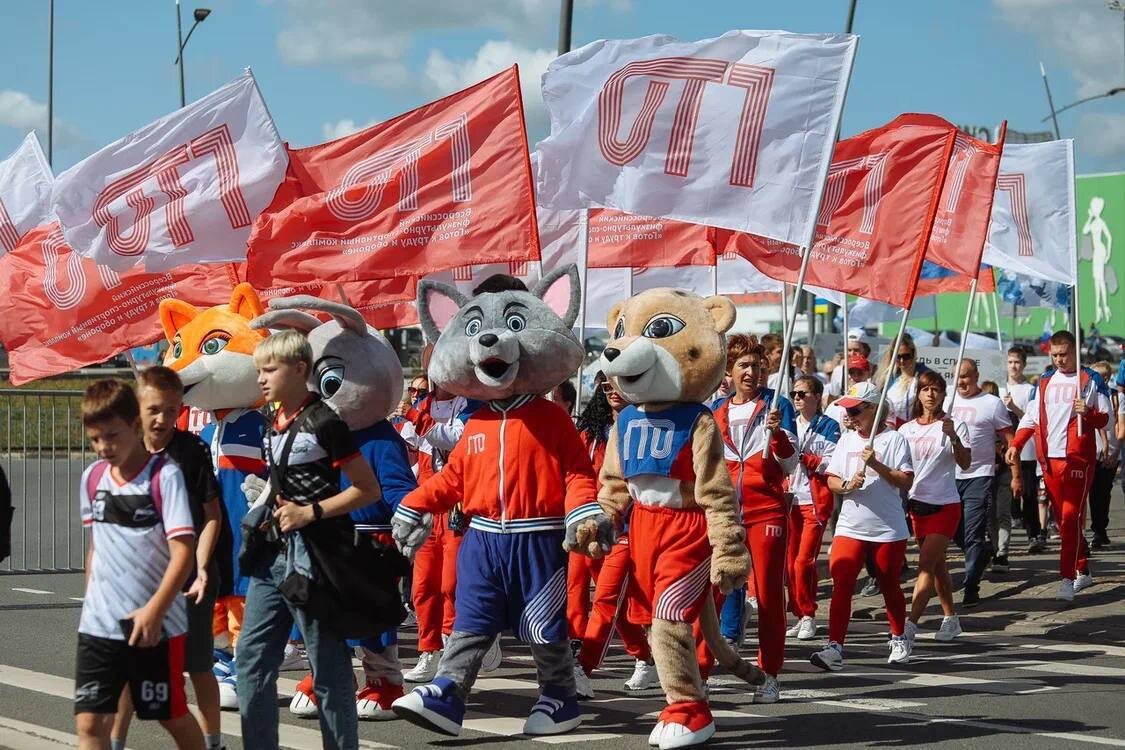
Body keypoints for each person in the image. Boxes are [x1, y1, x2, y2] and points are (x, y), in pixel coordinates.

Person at [236, 331, 382, 750]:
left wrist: (310, 512)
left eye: (269, 369)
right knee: (251, 658)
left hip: (317, 561)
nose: (261, 379)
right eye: (258, 370)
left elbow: (366, 489)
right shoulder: (271, 423)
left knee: (329, 669)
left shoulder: (326, 421)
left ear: (299, 369)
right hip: (273, 557)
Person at [74, 379, 204, 750]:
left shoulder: (166, 477)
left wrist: (154, 611)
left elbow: (183, 553)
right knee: (90, 724)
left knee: (172, 717)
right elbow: (97, 547)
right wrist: (90, 605)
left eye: (111, 436)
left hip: (157, 625)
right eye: (95, 439)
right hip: (99, 626)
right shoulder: (93, 478)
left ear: (135, 426)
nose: (103, 447)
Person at [111, 368, 225, 750]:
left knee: (198, 666)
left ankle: (212, 742)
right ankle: (115, 743)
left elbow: (212, 514)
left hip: (190, 578)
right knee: (129, 667)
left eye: (173, 410)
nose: (163, 419)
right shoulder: (121, 451)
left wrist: (204, 566)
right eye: (155, 409)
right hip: (137, 581)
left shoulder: (190, 451)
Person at [713, 334, 798, 703]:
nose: (752, 371)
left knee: (767, 597)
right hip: (725, 513)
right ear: (728, 373)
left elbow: (790, 462)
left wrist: (777, 435)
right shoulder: (715, 410)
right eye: (744, 365)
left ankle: (770, 675)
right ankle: (700, 668)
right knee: (712, 591)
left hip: (767, 511)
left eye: (757, 365)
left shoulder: (775, 405)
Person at [810, 381, 914, 672]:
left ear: (873, 409)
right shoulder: (847, 439)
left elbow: (906, 481)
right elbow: (831, 479)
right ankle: (835, 647)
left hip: (887, 525)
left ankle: (898, 637)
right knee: (842, 582)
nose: (850, 416)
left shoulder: (895, 439)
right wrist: (845, 485)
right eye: (847, 410)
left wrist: (877, 465)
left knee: (888, 582)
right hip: (850, 524)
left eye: (855, 410)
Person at [397, 382, 496, 683]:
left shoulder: (471, 404)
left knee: (451, 584)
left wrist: (415, 416)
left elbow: (455, 439)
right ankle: (429, 650)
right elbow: (410, 448)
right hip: (429, 505)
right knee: (422, 586)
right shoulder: (422, 405)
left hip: (456, 504)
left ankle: (454, 643)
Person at [569, 375, 658, 694]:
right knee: (623, 603)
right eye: (606, 386)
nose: (612, 392)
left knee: (605, 597)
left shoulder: (647, 426)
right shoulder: (589, 432)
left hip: (629, 527)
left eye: (618, 384)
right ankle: (645, 659)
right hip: (590, 526)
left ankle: (583, 668)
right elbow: (575, 474)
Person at [1007, 331, 1112, 601]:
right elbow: (1031, 418)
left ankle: (1067, 578)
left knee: (1068, 518)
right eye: (1054, 355)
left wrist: (1088, 413)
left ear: (1075, 352)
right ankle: (1082, 568)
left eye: (1063, 354)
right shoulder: (1045, 380)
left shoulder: (1090, 379)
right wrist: (1016, 445)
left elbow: (1105, 420)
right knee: (1066, 522)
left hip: (1078, 459)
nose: (1058, 360)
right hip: (1049, 460)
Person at [900, 372, 971, 644]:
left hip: (945, 505)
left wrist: (953, 437)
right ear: (918, 394)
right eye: (925, 389)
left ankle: (909, 627)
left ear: (943, 395)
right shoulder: (906, 430)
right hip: (917, 507)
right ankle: (951, 618)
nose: (930, 394)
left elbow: (965, 463)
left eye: (936, 389)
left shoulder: (954, 425)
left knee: (926, 565)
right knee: (939, 567)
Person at [948, 358, 1013, 608]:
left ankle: (971, 585)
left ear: (976, 376)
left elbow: (1008, 435)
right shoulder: (947, 402)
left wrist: (1011, 452)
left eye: (965, 376)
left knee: (974, 531)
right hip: (949, 475)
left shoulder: (991, 403)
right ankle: (983, 553)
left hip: (980, 474)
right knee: (954, 528)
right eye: (957, 377)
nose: (961, 382)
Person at [784, 375, 839, 641]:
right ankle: (801, 613)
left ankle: (808, 615)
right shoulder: (788, 423)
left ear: (817, 397)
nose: (797, 398)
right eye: (794, 394)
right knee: (790, 562)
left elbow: (833, 463)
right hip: (789, 499)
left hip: (814, 502)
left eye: (802, 394)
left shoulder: (829, 426)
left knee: (803, 562)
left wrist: (807, 458)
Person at [1001, 347, 1045, 553]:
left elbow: (1031, 419)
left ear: (1024, 365)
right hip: (1005, 450)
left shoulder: (1030, 390)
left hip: (1026, 451)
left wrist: (1014, 408)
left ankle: (1034, 534)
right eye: (1010, 362)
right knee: (1008, 497)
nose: (1013, 366)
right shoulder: (1000, 389)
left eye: (1017, 362)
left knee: (1028, 495)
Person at [1087, 361, 1119, 549]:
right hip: (1094, 451)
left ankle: (1102, 528)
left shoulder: (1116, 397)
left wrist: (1114, 450)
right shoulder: (1091, 396)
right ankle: (1097, 530)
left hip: (1113, 451)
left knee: (1104, 492)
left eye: (1103, 376)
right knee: (1093, 492)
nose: (1100, 379)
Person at [879, 333, 931, 428]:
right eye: (898, 357)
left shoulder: (923, 376)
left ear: (913, 354)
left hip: (915, 429)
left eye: (906, 356)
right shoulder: (887, 378)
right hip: (890, 429)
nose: (902, 361)